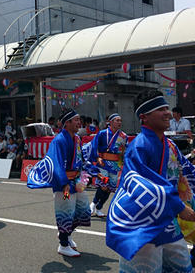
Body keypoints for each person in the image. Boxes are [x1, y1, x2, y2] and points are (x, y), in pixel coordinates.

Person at [106, 90, 195, 272]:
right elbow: (142, 187)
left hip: (168, 222)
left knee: (182, 266)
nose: (168, 113)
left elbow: (187, 171)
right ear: (144, 117)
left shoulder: (169, 145)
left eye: (167, 108)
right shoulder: (139, 146)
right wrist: (179, 206)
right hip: (144, 225)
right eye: (161, 109)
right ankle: (65, 239)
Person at [27, 109, 91, 258]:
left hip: (76, 182)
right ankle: (63, 245)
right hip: (66, 185)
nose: (79, 122)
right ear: (66, 123)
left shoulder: (77, 139)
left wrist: (86, 174)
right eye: (76, 120)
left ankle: (67, 234)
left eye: (79, 119)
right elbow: (56, 163)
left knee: (83, 211)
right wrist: (64, 183)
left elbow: (80, 159)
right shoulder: (59, 140)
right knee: (66, 211)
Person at [89, 113, 127, 217]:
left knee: (110, 188)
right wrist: (98, 158)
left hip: (115, 164)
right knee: (103, 186)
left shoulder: (123, 136)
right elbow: (94, 146)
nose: (119, 122)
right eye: (117, 120)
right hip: (103, 162)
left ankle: (99, 207)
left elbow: (124, 151)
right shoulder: (102, 133)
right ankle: (93, 203)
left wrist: (123, 162)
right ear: (110, 122)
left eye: (120, 120)